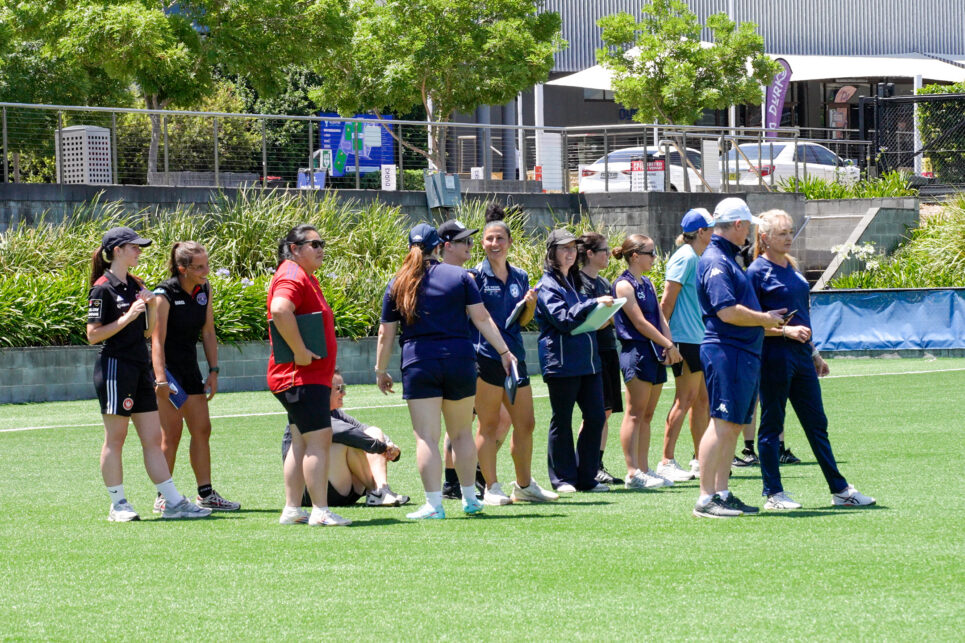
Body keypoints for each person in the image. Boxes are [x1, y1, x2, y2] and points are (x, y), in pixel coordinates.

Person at [375, 223, 516, 519]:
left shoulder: (398, 281)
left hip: (419, 362)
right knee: (462, 433)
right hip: (459, 360)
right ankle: (469, 498)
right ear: (439, 246)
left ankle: (434, 504)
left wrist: (380, 369)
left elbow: (385, 333)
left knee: (426, 437)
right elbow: (482, 318)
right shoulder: (460, 276)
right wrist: (504, 352)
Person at [747, 210, 876, 509]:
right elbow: (747, 323)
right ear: (765, 238)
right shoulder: (755, 273)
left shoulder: (791, 267)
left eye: (790, 231)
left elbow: (801, 315)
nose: (789, 237)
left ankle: (841, 491)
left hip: (801, 357)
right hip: (774, 356)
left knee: (817, 423)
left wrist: (814, 353)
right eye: (781, 233)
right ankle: (773, 494)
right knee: (771, 424)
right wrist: (785, 332)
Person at [86, 226, 211, 521]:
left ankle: (172, 502)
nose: (139, 251)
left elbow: (146, 330)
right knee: (115, 438)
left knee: (153, 439)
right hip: (116, 368)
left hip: (140, 368)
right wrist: (126, 316)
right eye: (134, 247)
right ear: (117, 251)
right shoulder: (102, 288)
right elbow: (92, 335)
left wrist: (151, 307)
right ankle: (118, 504)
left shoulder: (135, 283)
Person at [693, 198, 785, 518]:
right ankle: (706, 497)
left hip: (738, 351)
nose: (750, 232)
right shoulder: (717, 260)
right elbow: (726, 311)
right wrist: (765, 319)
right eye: (747, 225)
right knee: (721, 423)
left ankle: (721, 492)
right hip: (727, 350)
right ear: (737, 225)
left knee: (731, 425)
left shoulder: (725, 257)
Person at [471, 205, 558, 504]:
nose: (494, 244)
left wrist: (530, 305)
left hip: (515, 358)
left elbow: (522, 321)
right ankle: (491, 487)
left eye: (500, 239)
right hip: (486, 357)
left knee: (527, 423)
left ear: (509, 242)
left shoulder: (520, 276)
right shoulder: (475, 278)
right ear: (482, 243)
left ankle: (523, 485)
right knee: (489, 424)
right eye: (489, 239)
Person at [151, 241, 240, 513]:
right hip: (166, 370)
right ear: (182, 268)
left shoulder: (205, 289)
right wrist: (160, 379)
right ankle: (164, 496)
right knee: (172, 433)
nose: (206, 271)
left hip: (190, 368)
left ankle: (205, 494)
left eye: (207, 265)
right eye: (199, 267)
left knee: (202, 429)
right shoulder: (164, 294)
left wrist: (213, 371)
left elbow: (209, 332)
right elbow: (156, 340)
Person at [268, 224, 348, 527]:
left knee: (301, 441)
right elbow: (279, 309)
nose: (320, 249)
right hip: (300, 377)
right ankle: (320, 510)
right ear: (294, 248)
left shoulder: (302, 276)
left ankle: (293, 509)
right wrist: (300, 351)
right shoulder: (292, 274)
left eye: (321, 243)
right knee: (318, 440)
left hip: (300, 377)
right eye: (313, 244)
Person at [535, 229, 613, 493]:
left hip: (589, 361)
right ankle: (563, 478)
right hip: (561, 361)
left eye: (573, 248)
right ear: (552, 253)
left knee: (595, 417)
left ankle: (586, 477)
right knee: (563, 419)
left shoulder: (578, 281)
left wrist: (602, 308)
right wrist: (592, 305)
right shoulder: (546, 284)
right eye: (563, 248)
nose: (570, 253)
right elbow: (563, 319)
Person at [611, 235, 682, 489]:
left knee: (648, 414)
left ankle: (644, 467)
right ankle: (632, 473)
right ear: (634, 256)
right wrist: (667, 345)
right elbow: (639, 322)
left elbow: (661, 319)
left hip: (655, 351)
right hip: (637, 352)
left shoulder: (648, 283)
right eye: (650, 253)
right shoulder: (623, 285)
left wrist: (669, 345)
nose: (654, 258)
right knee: (634, 413)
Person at [281, 369, 410, 508]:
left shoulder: (335, 412)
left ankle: (381, 491)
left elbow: (364, 431)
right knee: (345, 443)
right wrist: (383, 448)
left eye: (344, 388)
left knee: (374, 431)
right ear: (324, 391)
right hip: (315, 493)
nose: (344, 393)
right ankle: (376, 491)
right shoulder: (312, 413)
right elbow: (347, 433)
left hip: (344, 487)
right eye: (339, 389)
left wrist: (391, 447)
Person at [657, 208, 713, 483]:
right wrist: (663, 341)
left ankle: (700, 458)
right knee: (686, 399)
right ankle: (666, 460)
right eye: (711, 229)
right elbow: (667, 300)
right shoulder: (686, 257)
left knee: (702, 401)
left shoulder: (696, 256)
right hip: (683, 338)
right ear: (701, 232)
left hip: (698, 338)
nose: (715, 233)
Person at [435, 218, 484, 500]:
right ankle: (456, 480)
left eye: (470, 240)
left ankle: (456, 479)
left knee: (463, 423)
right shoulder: (448, 277)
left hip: (468, 355)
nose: (470, 245)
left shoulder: (468, 276)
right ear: (447, 246)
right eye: (464, 241)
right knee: (459, 423)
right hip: (454, 358)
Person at [577, 232, 624, 486]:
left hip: (607, 349)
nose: (608, 254)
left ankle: (597, 462)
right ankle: (587, 463)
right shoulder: (580, 282)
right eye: (603, 250)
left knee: (606, 411)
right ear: (590, 254)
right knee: (595, 413)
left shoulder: (604, 283)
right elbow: (588, 320)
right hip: (591, 352)